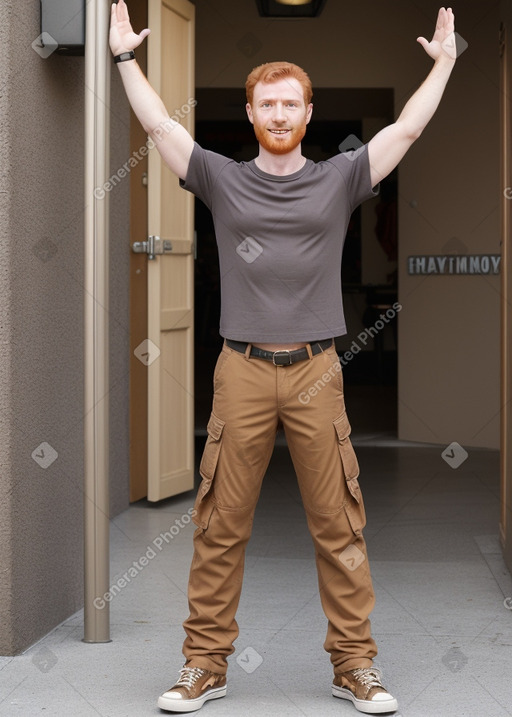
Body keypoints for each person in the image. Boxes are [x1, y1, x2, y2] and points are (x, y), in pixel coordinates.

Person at [109, 2, 458, 713]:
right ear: (250, 112)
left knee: (340, 522)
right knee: (218, 521)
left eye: (289, 103)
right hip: (239, 367)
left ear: (307, 111)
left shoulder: (342, 177)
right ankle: (205, 664)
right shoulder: (218, 178)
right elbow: (157, 125)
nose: (277, 113)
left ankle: (354, 665)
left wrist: (446, 62)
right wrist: (123, 58)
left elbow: (410, 127)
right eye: (266, 103)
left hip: (316, 370)